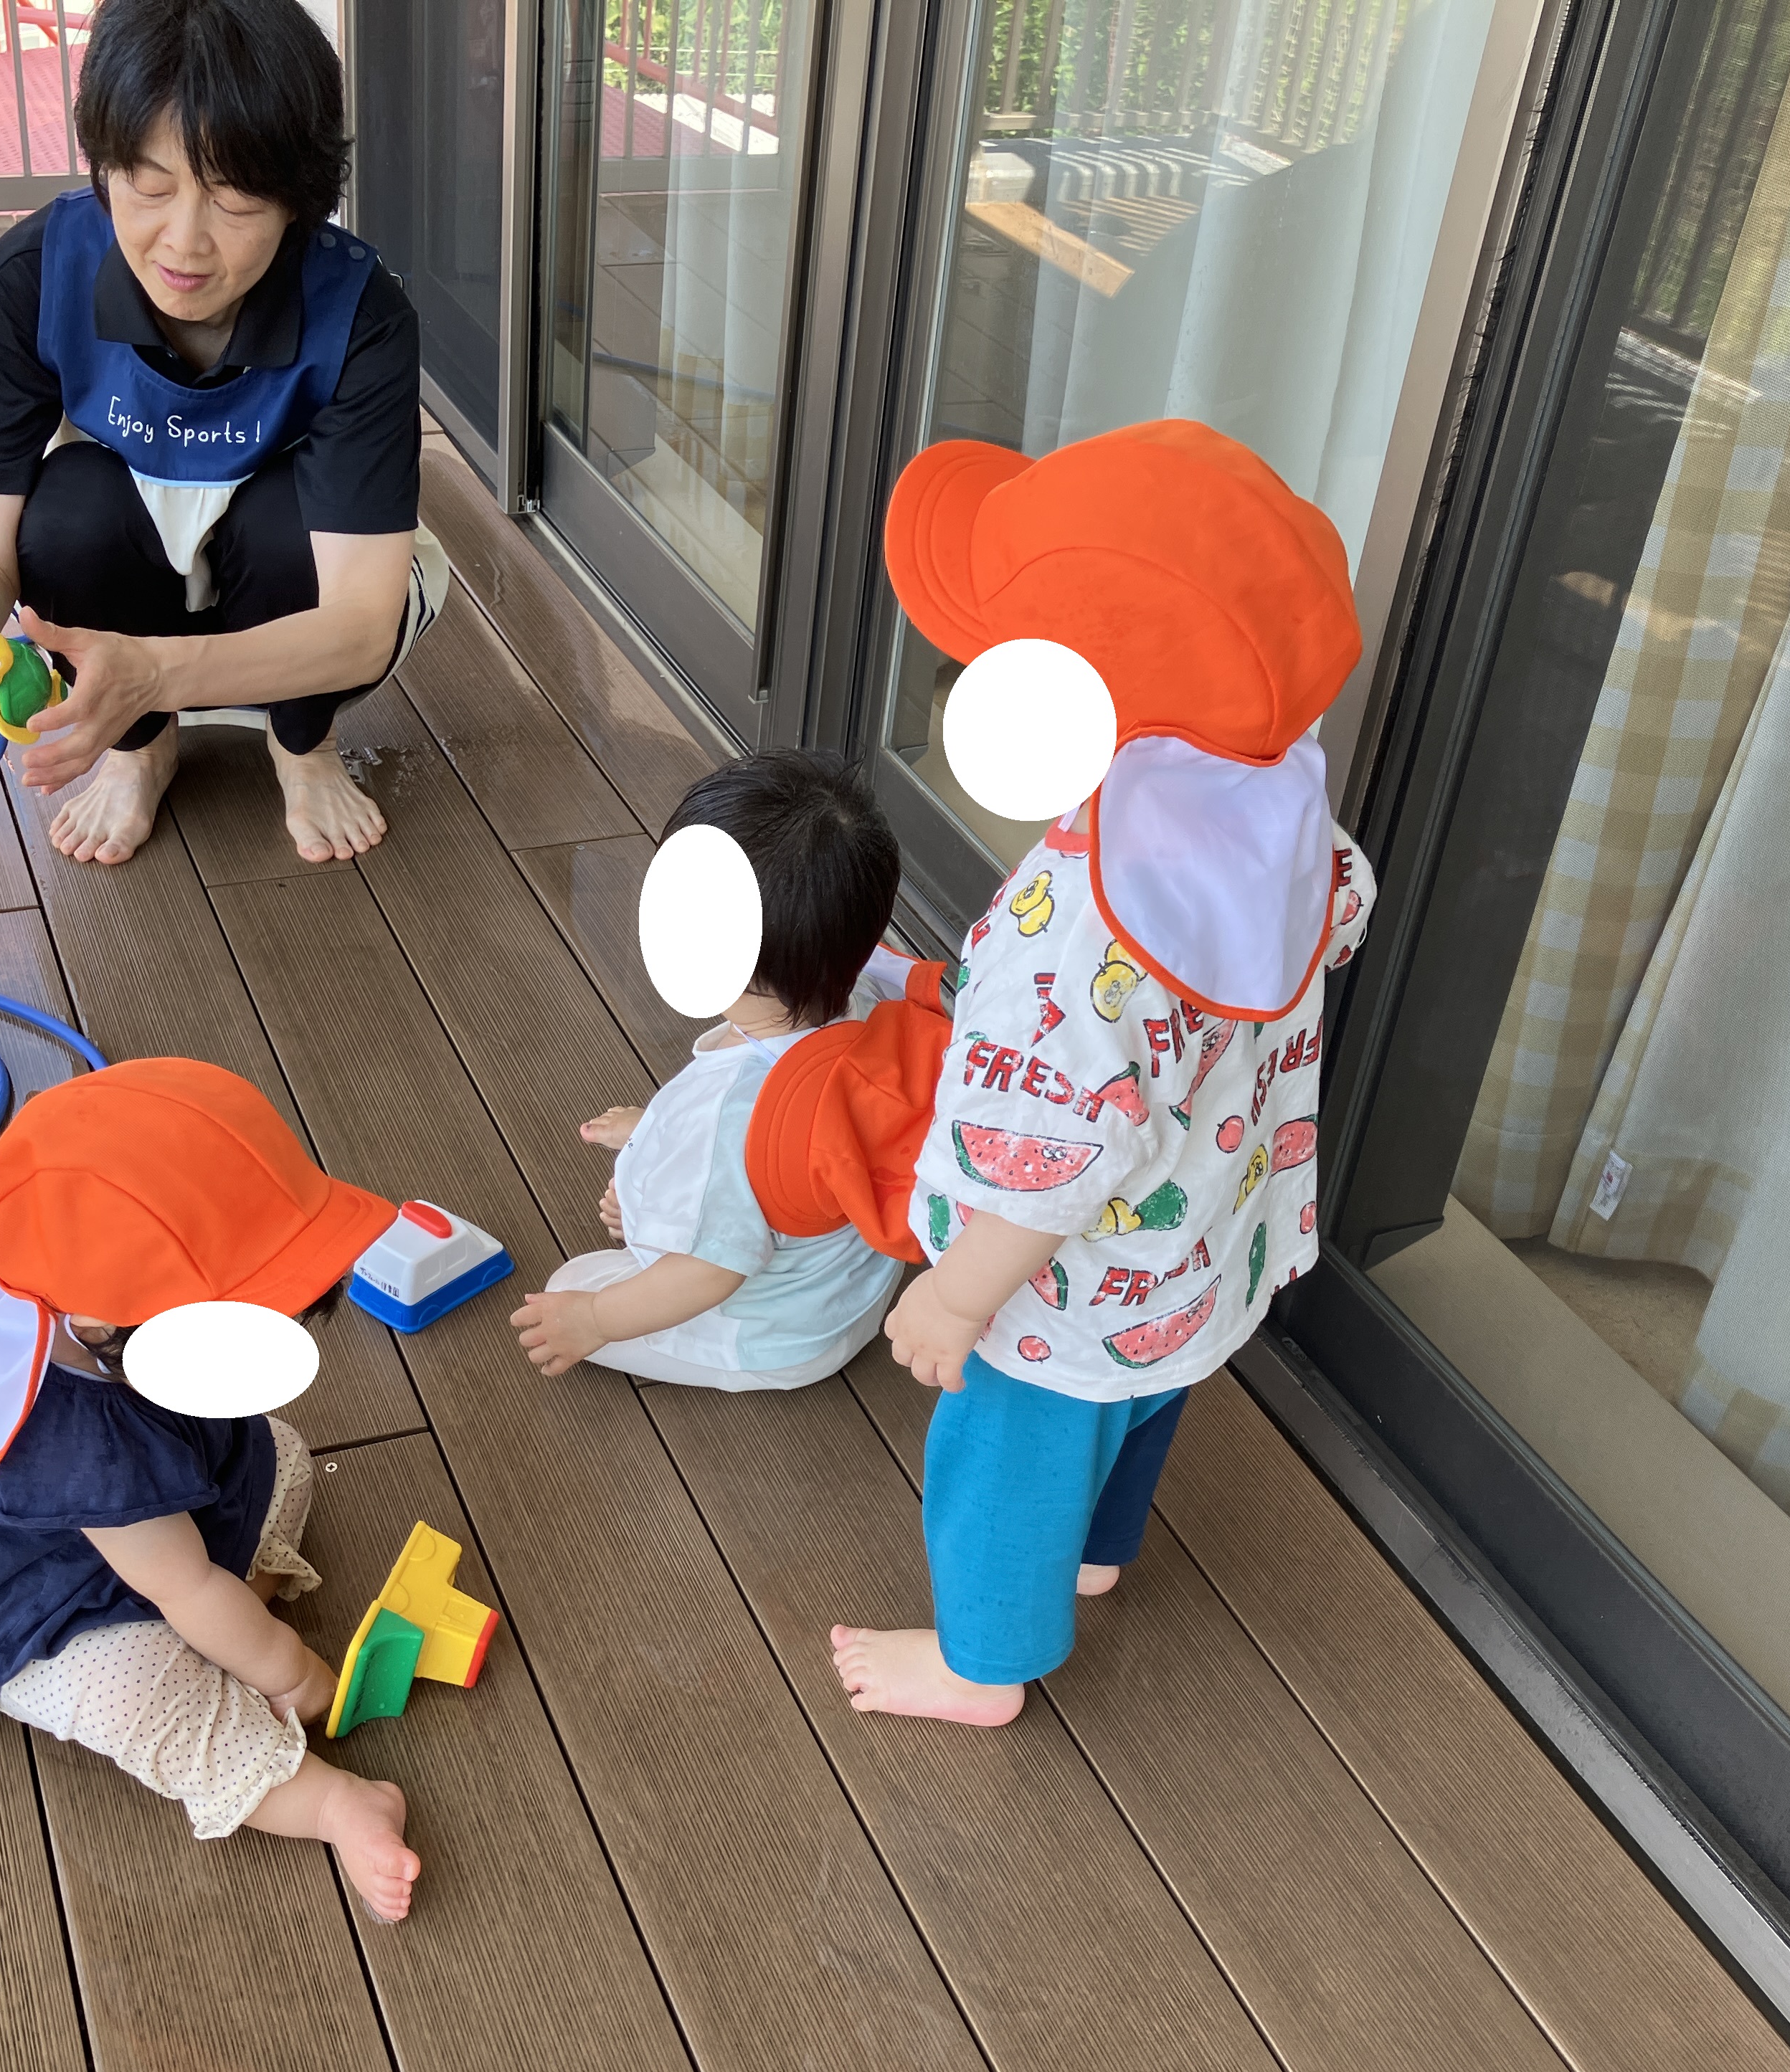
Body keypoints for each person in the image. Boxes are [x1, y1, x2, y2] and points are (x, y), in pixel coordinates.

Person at [828, 419, 1378, 1726]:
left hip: (1056, 1295)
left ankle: (981, 1665)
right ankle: (1097, 1553)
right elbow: (1342, 914)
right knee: (1138, 1402)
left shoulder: (1076, 945)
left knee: (1003, 1459)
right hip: (1193, 1256)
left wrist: (956, 1297)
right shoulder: (1271, 816)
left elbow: (1052, 1155)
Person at [0, 0, 447, 870]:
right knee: (66, 512)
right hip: (124, 563)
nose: (185, 242)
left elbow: (361, 623)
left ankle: (304, 744)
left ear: (299, 197)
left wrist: (158, 674)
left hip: (281, 575)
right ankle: (140, 752)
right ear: (104, 164)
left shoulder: (361, 313)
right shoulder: (30, 279)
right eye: (149, 183)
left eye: (235, 197)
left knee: (289, 528)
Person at [0, 1058, 421, 1919]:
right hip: (47, 1610)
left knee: (284, 1454)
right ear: (109, 1326)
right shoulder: (76, 1446)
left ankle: (226, 1630)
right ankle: (331, 1803)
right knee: (137, 1693)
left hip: (157, 1521)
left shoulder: (65, 1280)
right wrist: (294, 1673)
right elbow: (183, 1581)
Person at [511, 753, 911, 1392]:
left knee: (572, 1285)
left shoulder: (728, 1118)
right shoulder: (872, 995)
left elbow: (710, 1272)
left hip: (774, 1336)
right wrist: (656, 1133)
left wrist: (592, 1319)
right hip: (850, 1284)